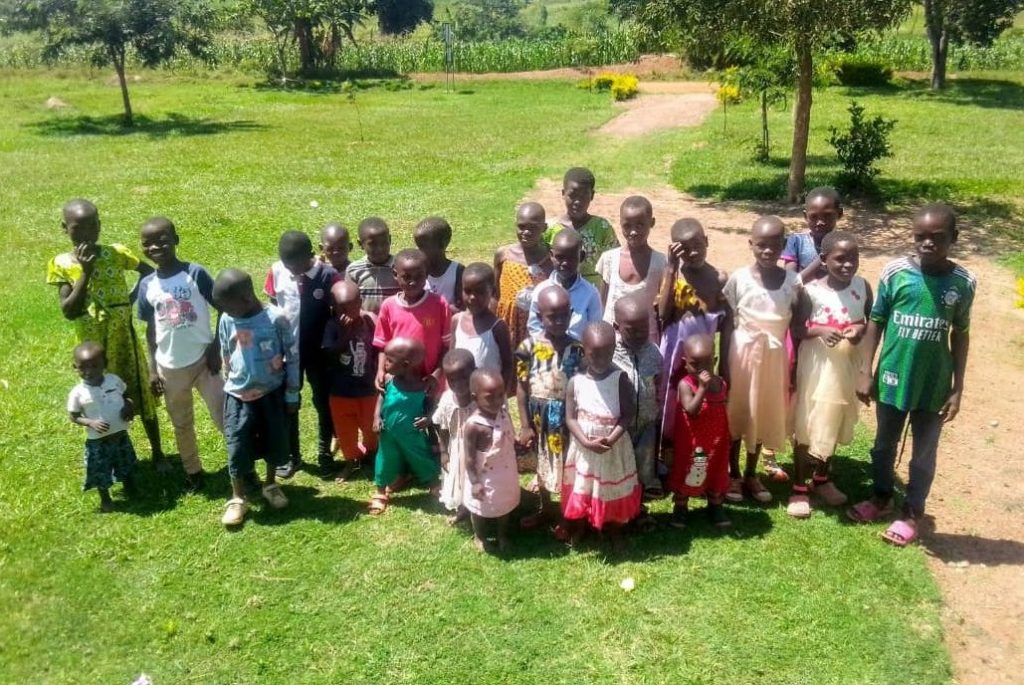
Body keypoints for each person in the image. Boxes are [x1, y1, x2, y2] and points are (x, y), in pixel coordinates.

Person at [850, 204, 975, 547]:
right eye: (920, 237)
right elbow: (876, 321)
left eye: (937, 238)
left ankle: (912, 512)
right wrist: (865, 370)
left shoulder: (962, 284)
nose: (927, 244)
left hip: (934, 384)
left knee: (923, 453)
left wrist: (957, 388)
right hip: (892, 376)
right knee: (883, 444)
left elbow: (961, 334)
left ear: (954, 238)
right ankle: (880, 497)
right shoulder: (896, 274)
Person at [46, 199, 165, 467]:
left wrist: (130, 298)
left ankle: (157, 452)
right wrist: (84, 274)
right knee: (100, 395)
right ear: (65, 228)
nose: (88, 232)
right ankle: (113, 456)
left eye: (93, 225)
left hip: (123, 337)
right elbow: (68, 310)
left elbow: (147, 272)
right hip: (93, 344)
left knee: (139, 389)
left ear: (100, 225)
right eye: (79, 228)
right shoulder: (62, 263)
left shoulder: (116, 253)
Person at [136, 217, 224, 492]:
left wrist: (215, 349)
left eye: (162, 240)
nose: (155, 247)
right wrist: (152, 369)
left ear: (176, 240)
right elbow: (151, 329)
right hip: (169, 367)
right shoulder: (147, 285)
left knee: (225, 415)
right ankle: (193, 472)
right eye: (148, 243)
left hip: (203, 362)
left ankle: (243, 467)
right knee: (181, 423)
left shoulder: (195, 273)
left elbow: (222, 308)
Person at [789, 231, 872, 518]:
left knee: (835, 417)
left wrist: (858, 330)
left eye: (854, 258)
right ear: (823, 260)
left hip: (845, 366)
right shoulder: (811, 291)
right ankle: (799, 487)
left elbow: (866, 323)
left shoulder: (862, 287)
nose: (848, 264)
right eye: (840, 259)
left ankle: (822, 478)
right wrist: (823, 331)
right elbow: (799, 329)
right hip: (816, 365)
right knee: (807, 420)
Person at [724, 216, 803, 504]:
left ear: (784, 245)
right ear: (751, 245)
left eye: (774, 245)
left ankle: (751, 473)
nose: (767, 251)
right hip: (742, 355)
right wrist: (723, 365)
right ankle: (732, 472)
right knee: (738, 412)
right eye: (761, 245)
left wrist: (794, 365)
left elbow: (798, 324)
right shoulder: (739, 279)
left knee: (761, 413)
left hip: (773, 358)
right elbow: (728, 323)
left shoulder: (793, 282)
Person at [213, 269, 298, 527]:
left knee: (274, 441)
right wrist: (230, 376)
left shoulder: (276, 318)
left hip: (271, 394)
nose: (226, 312)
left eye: (229, 306)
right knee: (237, 446)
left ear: (247, 297)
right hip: (238, 395)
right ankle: (238, 497)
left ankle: (270, 484)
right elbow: (226, 349)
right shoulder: (228, 318)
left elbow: (291, 356)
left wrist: (293, 391)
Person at [264, 230, 339, 478]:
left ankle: (324, 454)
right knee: (289, 403)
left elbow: (336, 312)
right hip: (287, 352)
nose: (293, 270)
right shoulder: (276, 271)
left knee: (323, 402)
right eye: (288, 265)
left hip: (318, 353)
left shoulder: (327, 275)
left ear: (311, 255)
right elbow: (273, 306)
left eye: (297, 264)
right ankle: (292, 456)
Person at [562, 321, 642, 550]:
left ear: (614, 349)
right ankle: (580, 527)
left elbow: (628, 414)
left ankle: (615, 529)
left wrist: (612, 438)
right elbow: (571, 418)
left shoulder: (620, 379)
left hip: (612, 449)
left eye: (607, 354)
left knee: (610, 489)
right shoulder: (576, 382)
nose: (601, 360)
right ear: (583, 350)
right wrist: (585, 441)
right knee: (584, 487)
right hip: (584, 450)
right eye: (594, 355)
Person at [655, 218, 730, 447]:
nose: (693, 252)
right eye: (685, 249)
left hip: (702, 357)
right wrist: (670, 267)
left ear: (707, 241)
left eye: (698, 245)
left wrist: (724, 364)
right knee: (669, 400)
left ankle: (696, 449)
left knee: (701, 396)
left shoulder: (719, 279)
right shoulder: (673, 276)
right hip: (674, 354)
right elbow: (663, 313)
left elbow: (726, 324)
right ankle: (668, 449)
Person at [515, 285, 585, 531]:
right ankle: (545, 508)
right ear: (538, 316)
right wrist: (525, 425)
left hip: (568, 417)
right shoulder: (527, 348)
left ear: (571, 313)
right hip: (539, 417)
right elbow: (522, 387)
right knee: (541, 461)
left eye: (564, 315)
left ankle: (567, 513)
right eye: (551, 316)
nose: (558, 321)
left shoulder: (578, 349)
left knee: (568, 465)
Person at [666, 334, 731, 528]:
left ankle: (715, 505)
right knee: (687, 470)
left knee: (715, 470)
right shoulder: (686, 385)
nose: (701, 371)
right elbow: (691, 410)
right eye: (695, 365)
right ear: (685, 363)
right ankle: (680, 507)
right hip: (692, 442)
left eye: (707, 365)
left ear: (715, 361)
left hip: (716, 441)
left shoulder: (720, 384)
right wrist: (702, 389)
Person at [369, 337, 440, 515]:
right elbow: (381, 398)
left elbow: (433, 405)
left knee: (421, 457)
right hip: (388, 433)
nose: (384, 363)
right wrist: (377, 417)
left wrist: (428, 418)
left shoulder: (423, 386)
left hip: (413, 434)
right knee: (385, 460)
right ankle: (380, 492)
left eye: (390, 360)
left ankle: (434, 484)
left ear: (406, 364)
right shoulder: (388, 380)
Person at [67, 342, 138, 512]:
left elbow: (127, 396)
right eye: (83, 368)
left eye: (94, 366)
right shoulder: (78, 393)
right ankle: (105, 499)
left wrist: (128, 406)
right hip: (98, 442)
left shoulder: (114, 380)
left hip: (120, 436)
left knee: (126, 463)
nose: (89, 372)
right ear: (75, 367)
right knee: (101, 471)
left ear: (105, 364)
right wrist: (91, 423)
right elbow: (74, 416)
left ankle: (131, 488)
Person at [322, 281, 378, 484]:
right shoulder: (332, 326)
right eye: (339, 307)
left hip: (367, 389)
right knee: (345, 431)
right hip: (341, 391)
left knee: (371, 428)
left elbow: (379, 348)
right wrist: (347, 333)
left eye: (350, 306)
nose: (344, 312)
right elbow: (330, 354)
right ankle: (351, 460)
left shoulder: (370, 321)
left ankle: (371, 454)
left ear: (360, 303)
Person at [373, 248, 452, 391]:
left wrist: (437, 373)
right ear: (395, 275)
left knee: (431, 413)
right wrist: (381, 370)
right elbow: (382, 346)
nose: (412, 282)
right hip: (398, 384)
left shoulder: (439, 304)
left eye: (419, 276)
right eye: (406, 277)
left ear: (427, 275)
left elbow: (447, 346)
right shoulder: (388, 306)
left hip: (431, 383)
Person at [463, 368, 521, 553]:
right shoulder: (474, 426)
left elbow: (508, 435)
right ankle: (480, 535)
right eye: (490, 397)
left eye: (500, 395)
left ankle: (503, 534)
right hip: (484, 475)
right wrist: (474, 482)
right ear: (475, 397)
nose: (497, 401)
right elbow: (470, 458)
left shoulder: (503, 413)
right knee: (479, 507)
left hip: (505, 472)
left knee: (504, 503)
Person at [612, 294, 664, 499]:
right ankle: (622, 489)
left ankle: (647, 483)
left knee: (645, 454)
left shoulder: (654, 352)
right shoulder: (610, 353)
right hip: (619, 422)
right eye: (632, 329)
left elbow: (658, 381)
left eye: (644, 327)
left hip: (647, 419)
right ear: (617, 327)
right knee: (620, 460)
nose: (641, 333)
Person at [596, 196, 667, 342]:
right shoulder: (609, 259)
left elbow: (663, 307)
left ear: (652, 223)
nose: (633, 232)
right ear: (620, 224)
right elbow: (602, 301)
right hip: (612, 338)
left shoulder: (661, 263)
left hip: (646, 338)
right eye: (627, 226)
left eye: (640, 225)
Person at [544, 167, 619, 286]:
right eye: (572, 195)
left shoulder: (602, 228)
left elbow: (614, 263)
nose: (577, 201)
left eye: (583, 196)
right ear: (563, 194)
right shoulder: (549, 229)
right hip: (558, 295)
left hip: (593, 295)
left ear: (592, 195)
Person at [494, 202, 553, 349]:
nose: (526, 232)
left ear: (544, 228)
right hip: (506, 324)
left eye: (533, 228)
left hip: (536, 327)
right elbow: (495, 294)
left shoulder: (550, 260)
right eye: (521, 226)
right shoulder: (503, 255)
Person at [527, 228, 602, 341]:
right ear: (551, 256)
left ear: (581, 256)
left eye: (571, 258)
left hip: (577, 354)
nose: (565, 263)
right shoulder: (541, 290)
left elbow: (595, 330)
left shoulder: (590, 294)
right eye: (560, 257)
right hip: (546, 352)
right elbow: (534, 326)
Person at [451, 262, 514, 394]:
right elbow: (451, 360)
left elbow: (508, 365)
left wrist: (499, 397)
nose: (472, 297)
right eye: (467, 291)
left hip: (489, 399)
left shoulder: (497, 327)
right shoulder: (457, 320)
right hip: (462, 397)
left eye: (480, 292)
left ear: (493, 291)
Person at [434, 350, 476, 524]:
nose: (458, 384)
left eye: (464, 378)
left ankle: (479, 516)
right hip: (456, 450)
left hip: (477, 451)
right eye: (452, 380)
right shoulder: (446, 399)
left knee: (475, 483)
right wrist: (444, 452)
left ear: (475, 373)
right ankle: (463, 509)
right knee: (459, 481)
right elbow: (442, 427)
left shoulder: (481, 399)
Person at [783, 187, 843, 284]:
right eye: (814, 217)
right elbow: (791, 282)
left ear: (839, 214)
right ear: (805, 216)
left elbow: (845, 278)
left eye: (827, 216)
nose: (820, 222)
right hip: (803, 296)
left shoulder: (843, 244)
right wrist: (821, 259)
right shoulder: (796, 241)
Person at [345, 217, 400, 314]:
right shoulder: (354, 270)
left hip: (395, 323)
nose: (379, 249)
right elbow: (350, 301)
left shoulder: (400, 267)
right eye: (372, 244)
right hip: (367, 324)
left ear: (390, 240)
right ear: (360, 244)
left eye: (383, 243)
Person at [415, 216, 464, 310]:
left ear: (442, 244)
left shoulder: (458, 271)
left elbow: (461, 306)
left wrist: (436, 311)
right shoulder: (418, 271)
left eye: (422, 246)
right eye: (417, 246)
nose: (418, 251)